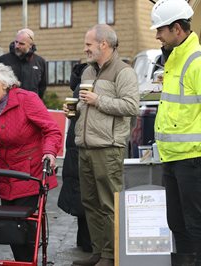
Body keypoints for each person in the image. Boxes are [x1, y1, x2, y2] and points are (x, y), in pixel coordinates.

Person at [0, 63, 62, 262]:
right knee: (11, 226)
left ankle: (26, 262)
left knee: (23, 226)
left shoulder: (27, 100)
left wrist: (49, 152)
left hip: (30, 173)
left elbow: (51, 130)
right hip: (7, 176)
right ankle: (22, 262)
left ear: (4, 83)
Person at [71, 24, 139, 266]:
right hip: (86, 146)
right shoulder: (89, 71)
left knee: (109, 203)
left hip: (108, 147)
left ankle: (111, 256)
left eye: (88, 44)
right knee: (90, 202)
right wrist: (75, 109)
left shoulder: (124, 72)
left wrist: (98, 100)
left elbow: (131, 107)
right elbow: (85, 105)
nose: (85, 49)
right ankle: (99, 252)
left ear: (103, 44)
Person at [150, 0, 201, 265]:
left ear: (177, 29)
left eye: (161, 29)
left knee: (195, 226)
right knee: (177, 224)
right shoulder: (175, 59)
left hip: (192, 160)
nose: (157, 35)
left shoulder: (196, 62)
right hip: (172, 158)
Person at [58, 62, 92, 253]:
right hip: (80, 146)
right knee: (85, 195)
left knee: (80, 194)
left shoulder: (78, 86)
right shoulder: (86, 87)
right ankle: (87, 243)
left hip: (74, 145)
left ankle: (83, 241)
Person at [0, 28, 47, 99]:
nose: (17, 46)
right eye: (16, 42)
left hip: (31, 105)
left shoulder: (40, 62)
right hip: (8, 106)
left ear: (30, 45)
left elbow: (42, 86)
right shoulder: (2, 60)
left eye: (21, 44)